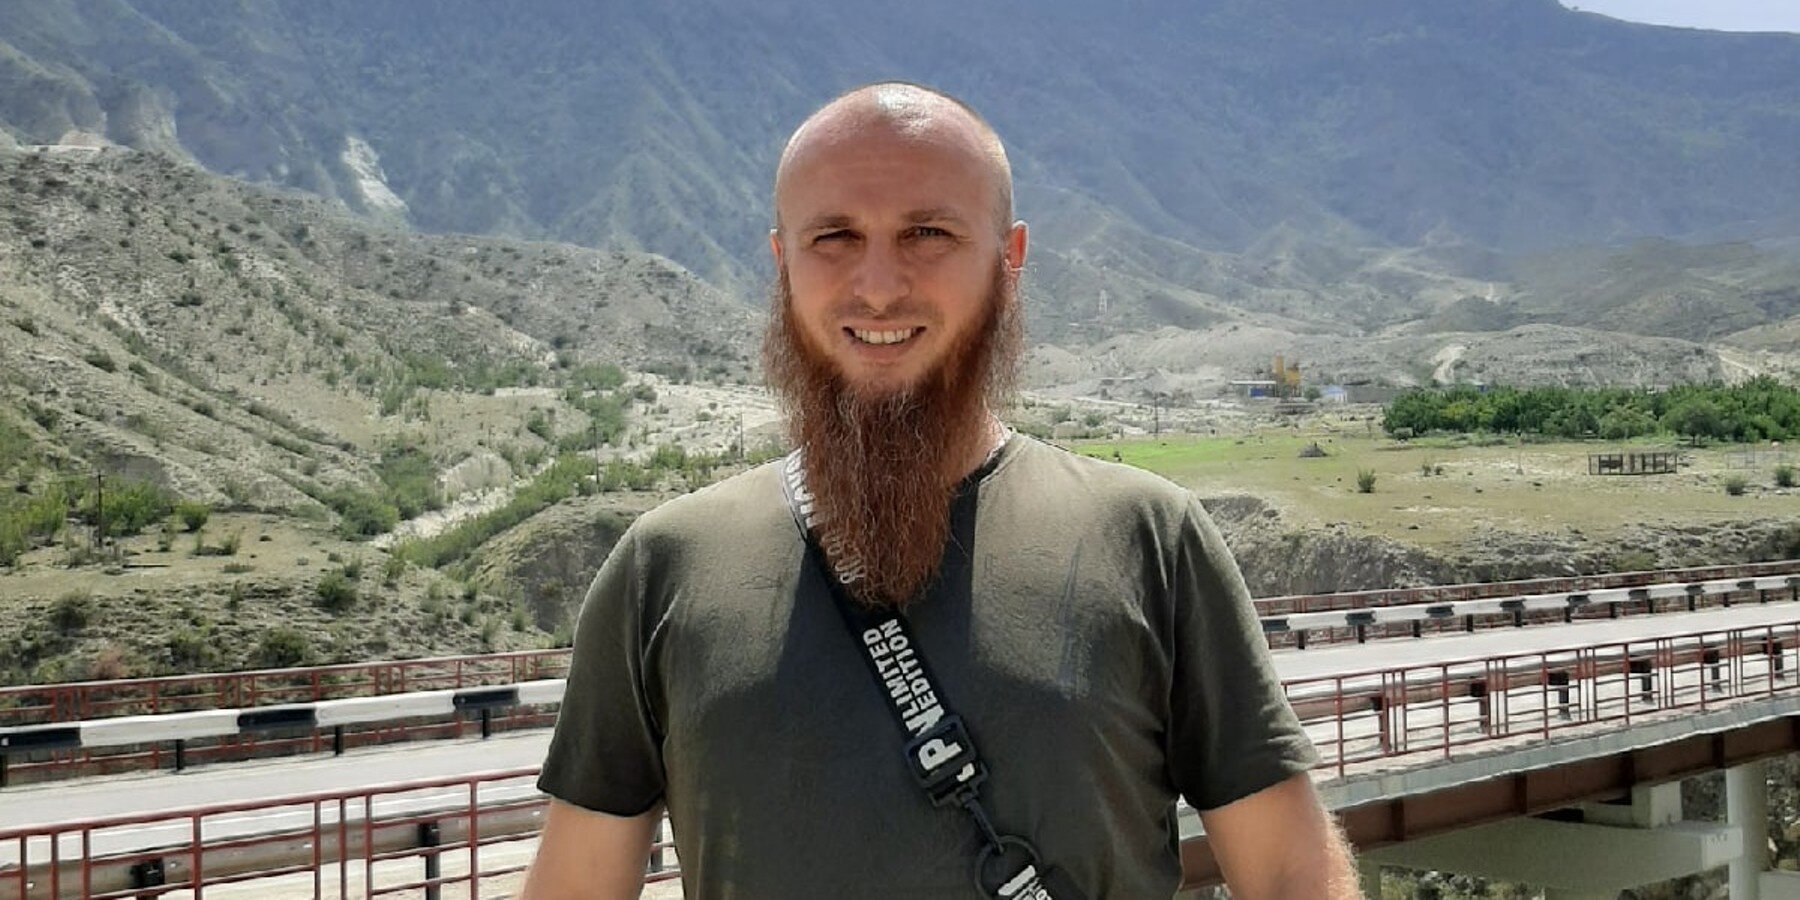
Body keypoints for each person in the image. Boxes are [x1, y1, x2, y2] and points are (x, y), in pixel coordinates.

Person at [521, 81, 1360, 899]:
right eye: (834, 237)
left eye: (927, 233)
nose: (879, 286)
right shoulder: (662, 566)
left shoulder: (1149, 538)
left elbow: (1291, 874)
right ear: (782, 264)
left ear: (1009, 258)